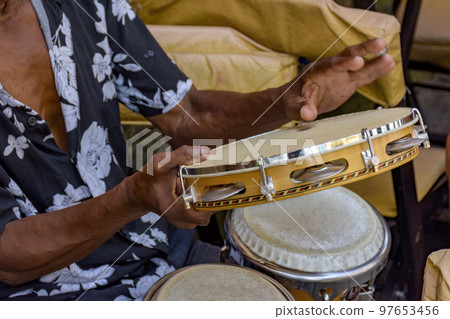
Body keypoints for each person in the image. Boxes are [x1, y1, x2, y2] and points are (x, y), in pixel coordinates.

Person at [0, 0, 394, 300]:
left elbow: (189, 114)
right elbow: (9, 261)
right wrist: (133, 198)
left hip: (156, 250)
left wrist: (289, 98)